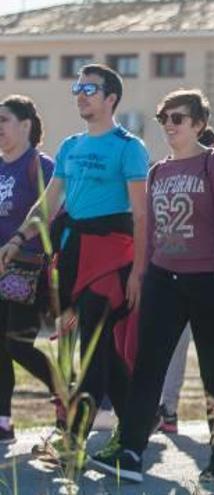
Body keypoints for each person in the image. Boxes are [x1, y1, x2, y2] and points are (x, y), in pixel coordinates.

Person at [89, 89, 214, 483]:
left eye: (178, 118)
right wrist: (148, 274)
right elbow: (154, 231)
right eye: (164, 119)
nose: (170, 125)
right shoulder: (158, 171)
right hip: (165, 280)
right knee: (148, 366)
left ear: (198, 124)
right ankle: (131, 451)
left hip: (211, 282)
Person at [0, 64, 149, 449]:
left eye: (90, 88)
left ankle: (73, 437)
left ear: (111, 98)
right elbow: (47, 204)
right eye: (77, 88)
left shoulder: (128, 146)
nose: (81, 94)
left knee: (93, 342)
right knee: (99, 348)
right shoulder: (70, 147)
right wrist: (17, 239)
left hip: (114, 251)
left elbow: (142, 214)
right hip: (75, 252)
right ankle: (135, 425)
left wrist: (138, 272)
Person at [155, 125, 214, 435]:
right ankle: (167, 408)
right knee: (176, 346)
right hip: (178, 272)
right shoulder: (166, 173)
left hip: (213, 273)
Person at [0, 95, 56, 444]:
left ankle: (68, 392)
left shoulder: (41, 165)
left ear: (26, 125)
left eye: (4, 120)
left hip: (29, 270)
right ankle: (3, 423)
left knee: (18, 344)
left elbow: (53, 213)